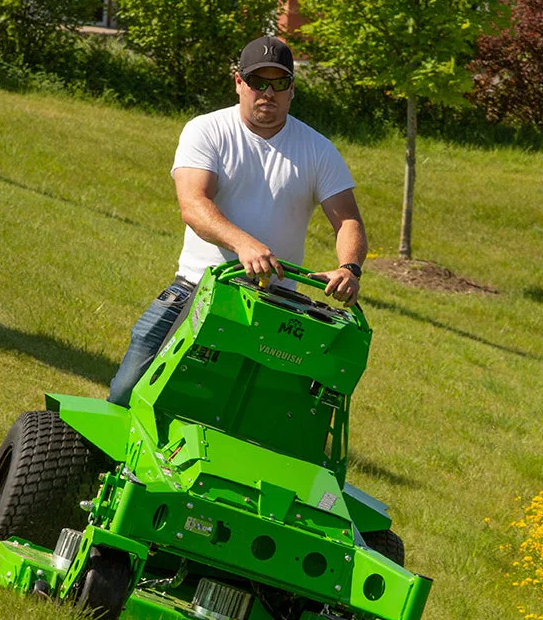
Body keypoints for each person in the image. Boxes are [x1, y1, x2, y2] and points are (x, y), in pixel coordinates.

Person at [107, 35, 368, 408]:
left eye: (279, 83)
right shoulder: (207, 130)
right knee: (127, 391)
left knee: (261, 414)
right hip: (197, 289)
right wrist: (244, 244)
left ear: (292, 89)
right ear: (238, 82)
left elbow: (348, 221)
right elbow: (193, 204)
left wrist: (349, 268)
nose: (268, 92)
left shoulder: (317, 149)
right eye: (257, 82)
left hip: (279, 304)